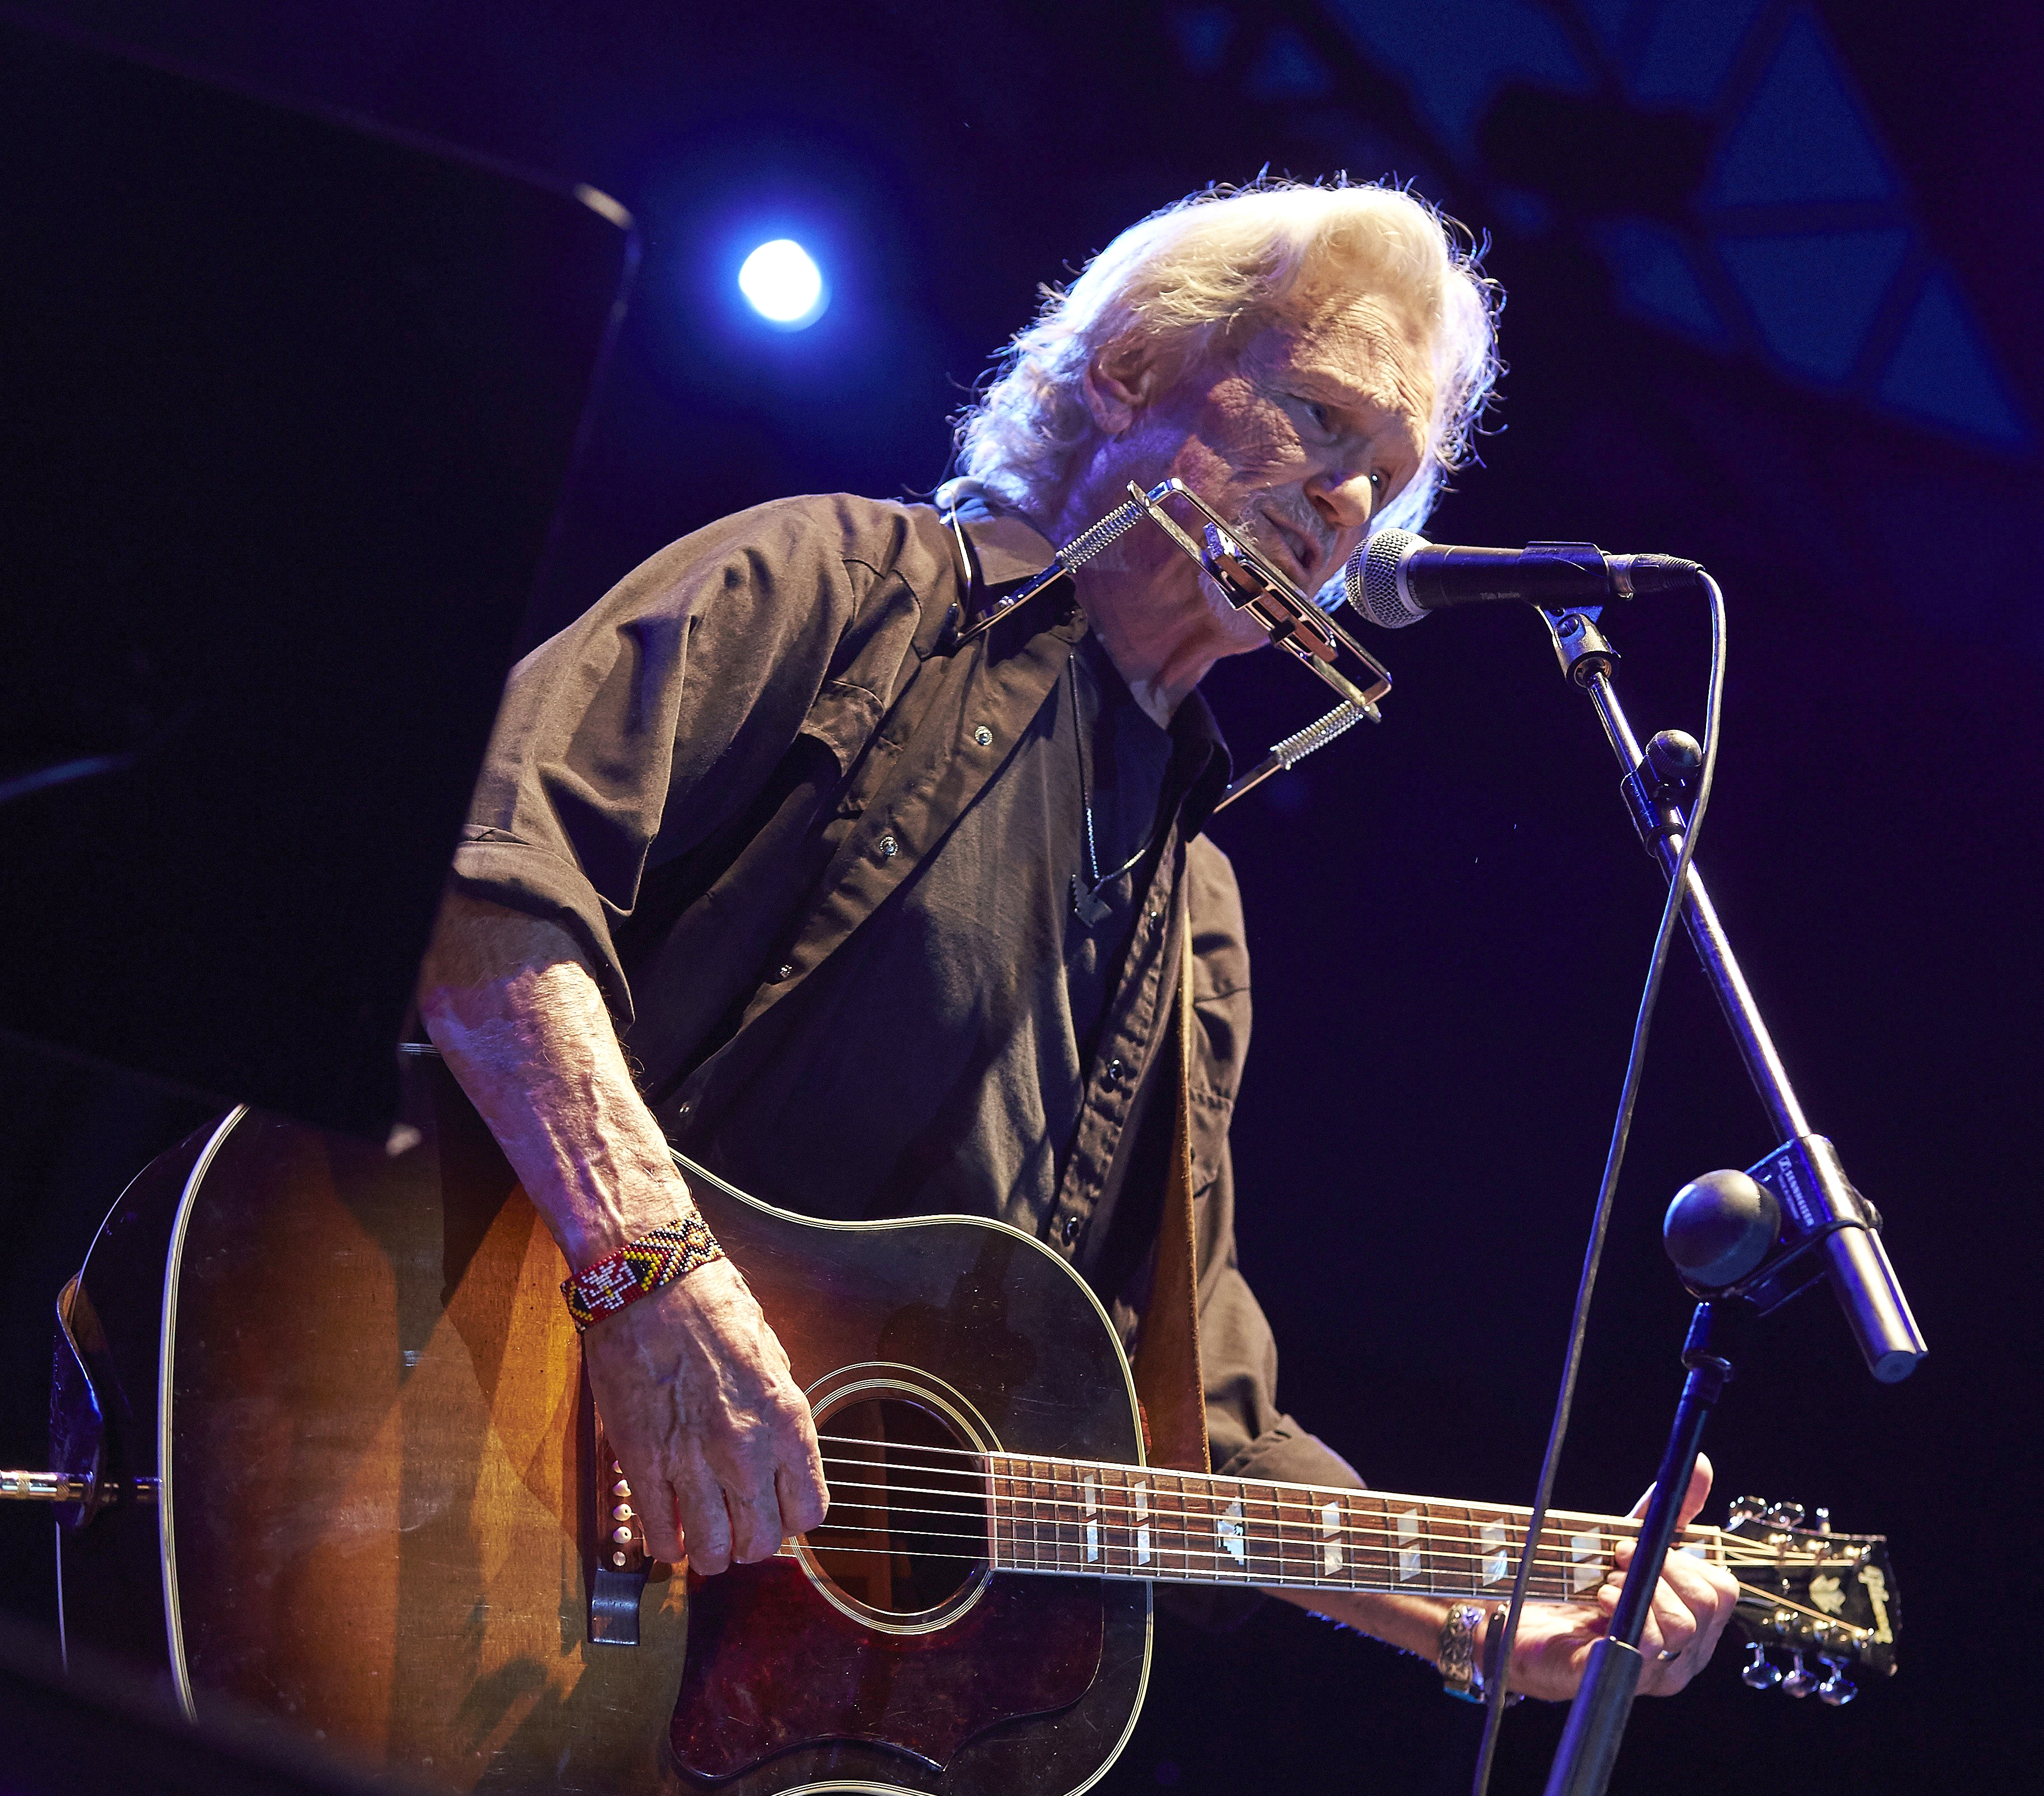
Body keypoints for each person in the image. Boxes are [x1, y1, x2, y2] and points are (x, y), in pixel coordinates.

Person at [415, 178, 1737, 1704]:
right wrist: (643, 1282)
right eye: (1318, 419)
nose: (1347, 506)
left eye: (1389, 475)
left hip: (706, 1676)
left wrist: (1470, 1611)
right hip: (456, 1424)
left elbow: (1203, 1431)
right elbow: (480, 875)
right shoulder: (841, 585)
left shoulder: (1203, 912)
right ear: (1127, 370)